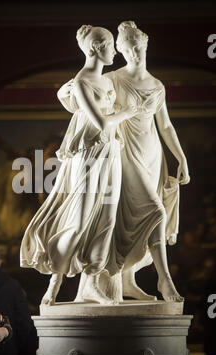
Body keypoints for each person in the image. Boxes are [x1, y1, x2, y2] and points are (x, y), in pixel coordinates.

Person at [58, 21, 190, 303]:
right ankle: (164, 280)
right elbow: (75, 93)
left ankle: (127, 281)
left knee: (128, 222)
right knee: (154, 211)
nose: (134, 55)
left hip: (152, 153)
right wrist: (65, 93)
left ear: (145, 45)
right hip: (124, 152)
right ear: (120, 50)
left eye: (137, 48)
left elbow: (166, 126)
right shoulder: (114, 78)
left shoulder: (157, 85)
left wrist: (180, 158)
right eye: (128, 50)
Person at [20, 25, 138, 306]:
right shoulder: (83, 81)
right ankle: (55, 282)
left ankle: (93, 283)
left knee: (107, 220)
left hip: (110, 152)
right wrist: (127, 112)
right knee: (78, 222)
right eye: (110, 45)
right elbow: (99, 123)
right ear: (96, 48)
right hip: (88, 155)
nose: (114, 51)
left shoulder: (107, 81)